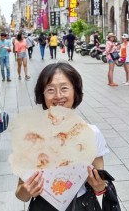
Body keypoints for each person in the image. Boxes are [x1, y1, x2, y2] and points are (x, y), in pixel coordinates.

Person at [15, 62, 110, 209]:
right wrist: (27, 191)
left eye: (64, 88)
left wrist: (99, 186)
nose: (58, 96)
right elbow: (21, 194)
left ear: (75, 92)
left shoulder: (91, 133)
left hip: (83, 206)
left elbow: (100, 183)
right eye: (50, 90)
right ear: (43, 94)